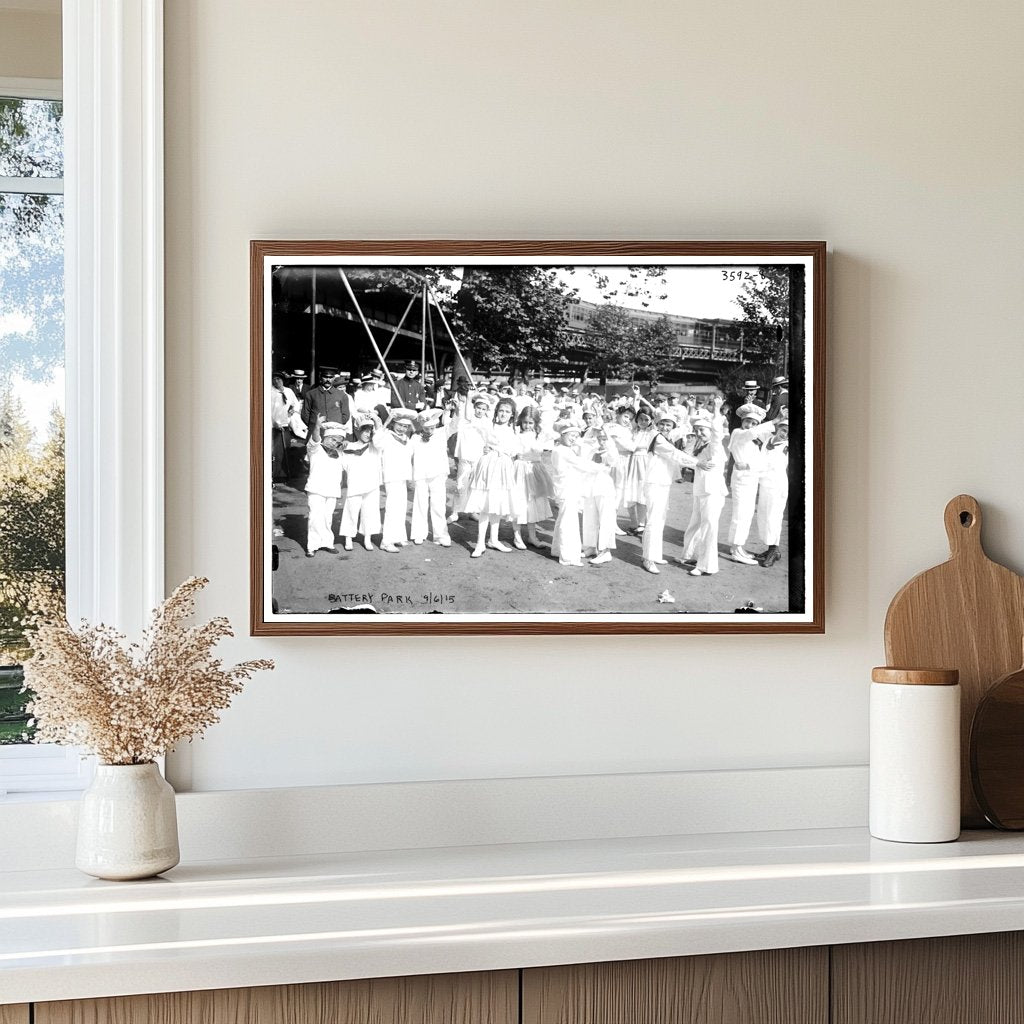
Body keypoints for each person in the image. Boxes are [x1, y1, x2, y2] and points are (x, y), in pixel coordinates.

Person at [641, 410, 707, 575]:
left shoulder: (666, 438)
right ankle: (647, 558)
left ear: (672, 427)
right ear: (657, 424)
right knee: (653, 520)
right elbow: (674, 454)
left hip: (663, 483)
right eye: (662, 423)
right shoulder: (657, 438)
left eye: (668, 424)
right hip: (654, 482)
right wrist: (697, 463)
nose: (664, 426)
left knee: (660, 519)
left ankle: (654, 555)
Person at [549, 421, 615, 567]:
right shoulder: (562, 451)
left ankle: (557, 550)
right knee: (568, 523)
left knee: (563, 519)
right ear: (562, 434)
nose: (573, 439)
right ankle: (569, 557)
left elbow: (584, 447)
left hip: (566, 489)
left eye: (576, 436)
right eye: (571, 435)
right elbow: (582, 464)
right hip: (567, 489)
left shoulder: (562, 449)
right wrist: (601, 468)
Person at [463, 397, 519, 557]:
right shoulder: (488, 426)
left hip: (503, 468)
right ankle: (480, 542)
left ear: (512, 415)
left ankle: (493, 539)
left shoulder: (513, 431)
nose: (503, 414)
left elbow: (513, 451)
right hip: (488, 466)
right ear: (496, 412)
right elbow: (475, 436)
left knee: (497, 505)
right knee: (485, 506)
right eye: (501, 410)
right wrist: (484, 448)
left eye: (507, 412)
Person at [681, 398, 729, 576]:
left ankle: (705, 566)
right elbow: (685, 458)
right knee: (695, 523)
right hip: (700, 490)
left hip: (713, 492)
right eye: (697, 430)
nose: (699, 433)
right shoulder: (698, 445)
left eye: (702, 430)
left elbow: (717, 433)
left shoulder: (716, 446)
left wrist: (717, 409)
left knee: (709, 526)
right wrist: (697, 463)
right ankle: (689, 555)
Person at [726, 402, 776, 565]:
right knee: (740, 514)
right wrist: (774, 421)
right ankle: (734, 550)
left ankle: (739, 547)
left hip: (751, 479)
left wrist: (750, 465)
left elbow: (762, 463)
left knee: (747, 515)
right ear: (742, 421)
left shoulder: (755, 440)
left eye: (754, 423)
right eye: (747, 421)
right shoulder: (738, 433)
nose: (750, 425)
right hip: (741, 480)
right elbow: (751, 433)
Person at [338, 413, 383, 551]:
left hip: (372, 484)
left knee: (370, 511)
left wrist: (376, 420)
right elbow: (341, 463)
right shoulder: (349, 446)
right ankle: (348, 538)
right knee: (351, 510)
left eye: (370, 431)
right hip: (355, 484)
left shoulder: (375, 446)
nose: (367, 434)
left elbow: (380, 437)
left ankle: (367, 537)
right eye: (364, 431)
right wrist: (341, 447)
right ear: (357, 431)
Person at [511, 407, 554, 549]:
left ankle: (532, 536)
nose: (527, 426)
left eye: (530, 423)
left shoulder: (539, 436)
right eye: (524, 423)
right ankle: (517, 535)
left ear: (535, 423)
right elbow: (515, 451)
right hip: (521, 468)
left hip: (535, 469)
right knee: (519, 501)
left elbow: (547, 443)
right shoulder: (517, 436)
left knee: (533, 502)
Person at [303, 417, 345, 557]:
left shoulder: (339, 454)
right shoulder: (314, 449)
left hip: (332, 491)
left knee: (327, 518)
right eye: (333, 440)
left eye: (337, 442)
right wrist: (317, 426)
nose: (335, 444)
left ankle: (327, 543)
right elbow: (315, 438)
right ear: (325, 437)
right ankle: (312, 546)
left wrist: (343, 445)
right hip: (316, 489)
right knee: (315, 517)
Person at [410, 408, 452, 547]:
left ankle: (440, 535)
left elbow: (455, 425)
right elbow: (409, 453)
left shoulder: (441, 433)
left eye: (432, 427)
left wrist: (448, 411)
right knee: (420, 503)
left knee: (438, 505)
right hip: (421, 474)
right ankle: (418, 533)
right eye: (427, 428)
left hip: (438, 474)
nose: (430, 431)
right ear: (422, 426)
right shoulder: (415, 437)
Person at [449, 391, 493, 522]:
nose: (480, 411)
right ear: (474, 407)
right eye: (478, 408)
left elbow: (490, 440)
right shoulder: (466, 420)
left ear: (486, 410)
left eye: (483, 409)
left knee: (476, 485)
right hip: (465, 456)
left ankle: (473, 510)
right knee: (461, 483)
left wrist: (488, 448)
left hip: (479, 457)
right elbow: (455, 427)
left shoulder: (487, 423)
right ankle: (455, 511)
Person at [378, 408, 417, 552]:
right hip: (391, 476)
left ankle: (399, 536)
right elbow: (376, 442)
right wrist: (386, 421)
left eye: (405, 426)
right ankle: (386, 541)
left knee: (401, 507)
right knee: (392, 507)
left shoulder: (407, 439)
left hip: (402, 477)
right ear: (393, 423)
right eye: (399, 425)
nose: (402, 429)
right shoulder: (386, 435)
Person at [756, 417, 789, 567]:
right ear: (778, 428)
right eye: (783, 430)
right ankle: (770, 548)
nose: (785, 434)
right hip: (764, 484)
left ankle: (774, 550)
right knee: (763, 516)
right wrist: (778, 419)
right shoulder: (768, 438)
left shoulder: (787, 447)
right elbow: (758, 429)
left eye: (789, 433)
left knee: (773, 518)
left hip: (777, 486)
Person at [301, 368, 351, 436]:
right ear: (320, 378)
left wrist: (337, 424)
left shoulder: (342, 395)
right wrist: (314, 425)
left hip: (335, 432)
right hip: (316, 432)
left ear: (333, 378)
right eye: (325, 377)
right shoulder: (311, 394)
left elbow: (346, 415)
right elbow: (305, 414)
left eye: (330, 377)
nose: (328, 380)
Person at [270, 374, 300, 481]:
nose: (277, 381)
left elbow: (296, 404)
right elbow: (268, 411)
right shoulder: (270, 393)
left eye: (279, 379)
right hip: (274, 427)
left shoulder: (288, 391)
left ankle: (285, 474)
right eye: (274, 379)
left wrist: (292, 410)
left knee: (285, 449)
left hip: (286, 425)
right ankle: (276, 476)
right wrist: (275, 424)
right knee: (276, 451)